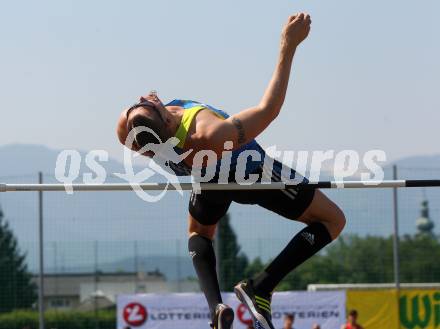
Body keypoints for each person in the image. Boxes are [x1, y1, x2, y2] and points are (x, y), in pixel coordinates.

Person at [116, 12, 345, 329]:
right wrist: (288, 46)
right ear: (166, 119)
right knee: (333, 220)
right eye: (148, 102)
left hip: (207, 179)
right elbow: (269, 110)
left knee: (199, 233)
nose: (146, 96)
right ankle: (261, 286)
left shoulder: (132, 132)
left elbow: (141, 122)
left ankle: (216, 308)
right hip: (249, 170)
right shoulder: (206, 132)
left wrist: (142, 111)